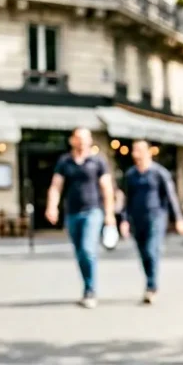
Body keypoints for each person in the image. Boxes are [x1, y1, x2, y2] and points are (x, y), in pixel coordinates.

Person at [46, 127, 116, 309]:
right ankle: (87, 285)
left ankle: (90, 290)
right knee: (79, 252)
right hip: (72, 213)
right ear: (72, 140)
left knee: (87, 249)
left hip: (93, 211)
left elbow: (107, 189)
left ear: (90, 140)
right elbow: (56, 186)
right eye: (79, 138)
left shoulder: (98, 162)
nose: (83, 141)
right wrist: (52, 206)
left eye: (86, 138)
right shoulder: (65, 162)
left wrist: (109, 215)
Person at [119, 140, 183, 304]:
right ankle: (150, 280)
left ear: (149, 152)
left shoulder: (159, 173)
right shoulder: (130, 175)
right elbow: (125, 199)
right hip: (136, 217)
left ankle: (151, 286)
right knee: (143, 253)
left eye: (141, 150)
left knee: (152, 249)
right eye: (135, 150)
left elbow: (171, 196)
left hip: (156, 216)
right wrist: (123, 220)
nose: (137, 153)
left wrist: (178, 218)